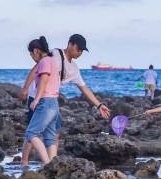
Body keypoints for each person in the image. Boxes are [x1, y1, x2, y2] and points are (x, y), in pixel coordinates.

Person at [45, 34, 111, 159]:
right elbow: (38, 67)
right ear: (70, 44)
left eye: (82, 51)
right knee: (37, 132)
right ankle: (29, 162)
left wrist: (99, 105)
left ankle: (51, 160)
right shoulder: (55, 54)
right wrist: (27, 88)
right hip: (40, 97)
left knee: (55, 131)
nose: (80, 52)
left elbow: (84, 88)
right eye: (78, 49)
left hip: (52, 100)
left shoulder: (74, 68)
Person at [20, 36, 54, 168]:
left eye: (30, 54)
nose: (31, 57)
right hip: (46, 99)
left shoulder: (43, 62)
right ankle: (45, 161)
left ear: (36, 51)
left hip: (38, 98)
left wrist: (25, 89)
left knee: (31, 131)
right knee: (47, 131)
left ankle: (30, 161)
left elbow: (36, 74)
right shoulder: (50, 59)